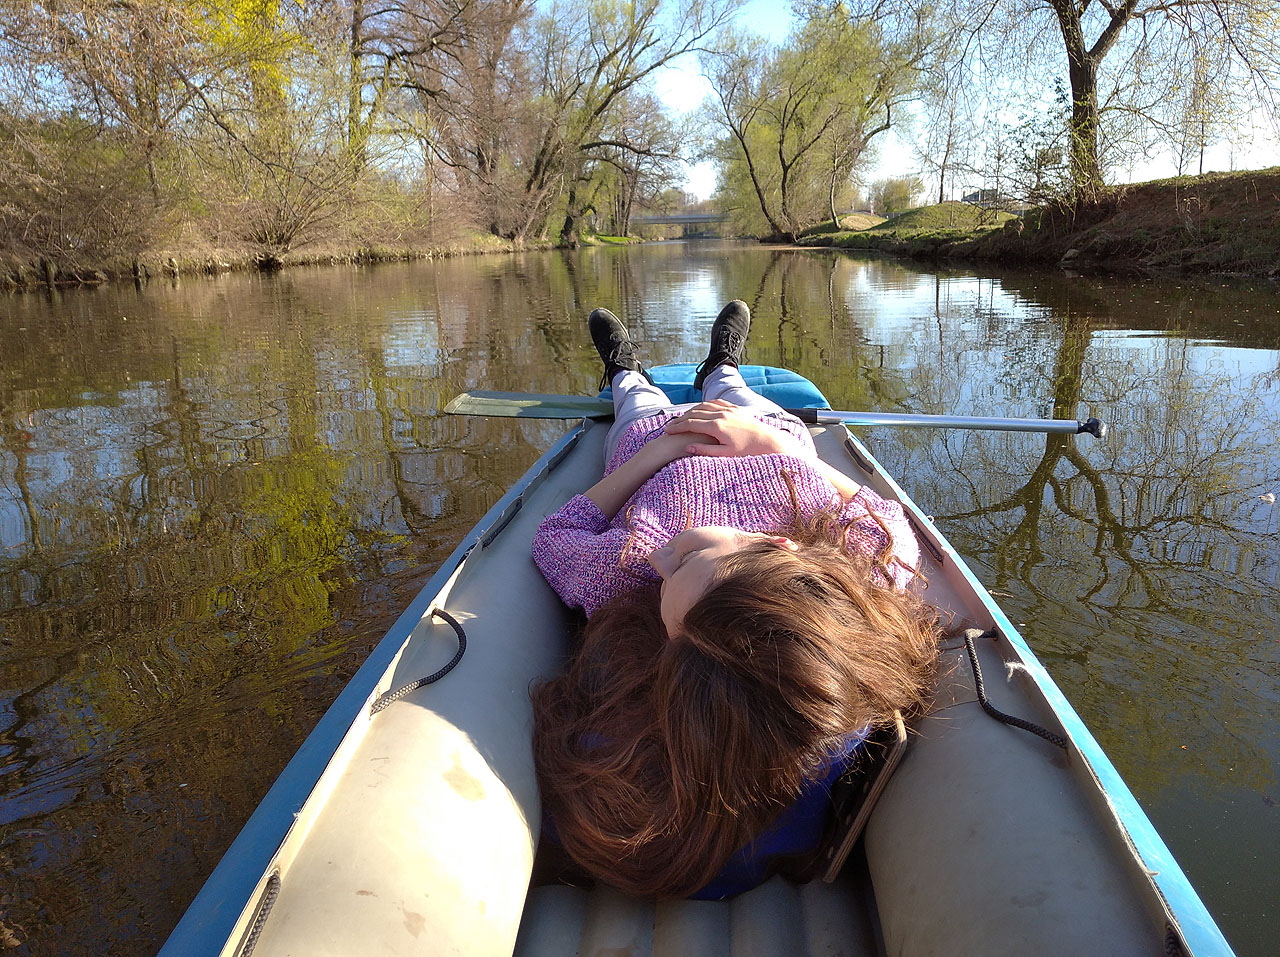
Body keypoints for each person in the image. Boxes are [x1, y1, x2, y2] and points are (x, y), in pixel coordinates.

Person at [530, 300, 939, 899]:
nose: (663, 559)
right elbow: (890, 520)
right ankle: (723, 365)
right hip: (772, 446)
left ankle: (623, 370)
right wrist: (777, 449)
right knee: (736, 395)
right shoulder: (844, 565)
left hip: (656, 454)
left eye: (670, 588)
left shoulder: (629, 575)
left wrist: (657, 454)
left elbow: (555, 537)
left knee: (638, 404)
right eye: (691, 559)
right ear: (776, 547)